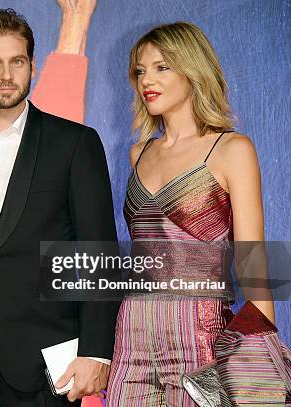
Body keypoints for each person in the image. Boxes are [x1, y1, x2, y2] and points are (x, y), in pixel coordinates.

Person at [0, 9, 119, 407]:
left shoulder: (74, 144)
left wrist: (96, 351)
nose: (7, 75)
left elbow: (97, 251)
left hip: (47, 360)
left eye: (17, 61)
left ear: (33, 64)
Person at [106, 22, 275, 406]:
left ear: (193, 69)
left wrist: (260, 377)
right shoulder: (139, 154)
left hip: (199, 338)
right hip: (131, 334)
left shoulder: (232, 150)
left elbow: (255, 275)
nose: (147, 79)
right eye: (140, 70)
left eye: (162, 67)